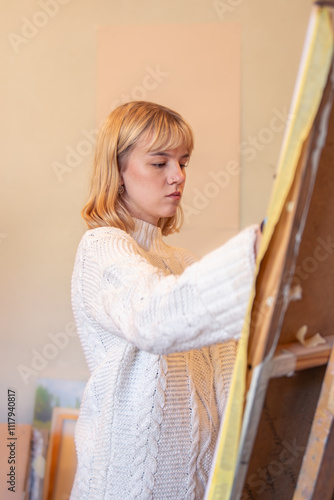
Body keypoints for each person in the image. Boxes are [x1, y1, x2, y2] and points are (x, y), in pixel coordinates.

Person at [70, 101, 260, 500]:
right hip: (125, 488)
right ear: (118, 172)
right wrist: (258, 248)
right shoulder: (102, 247)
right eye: (160, 163)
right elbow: (153, 317)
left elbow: (230, 379)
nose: (178, 177)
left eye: (184, 162)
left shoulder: (182, 263)